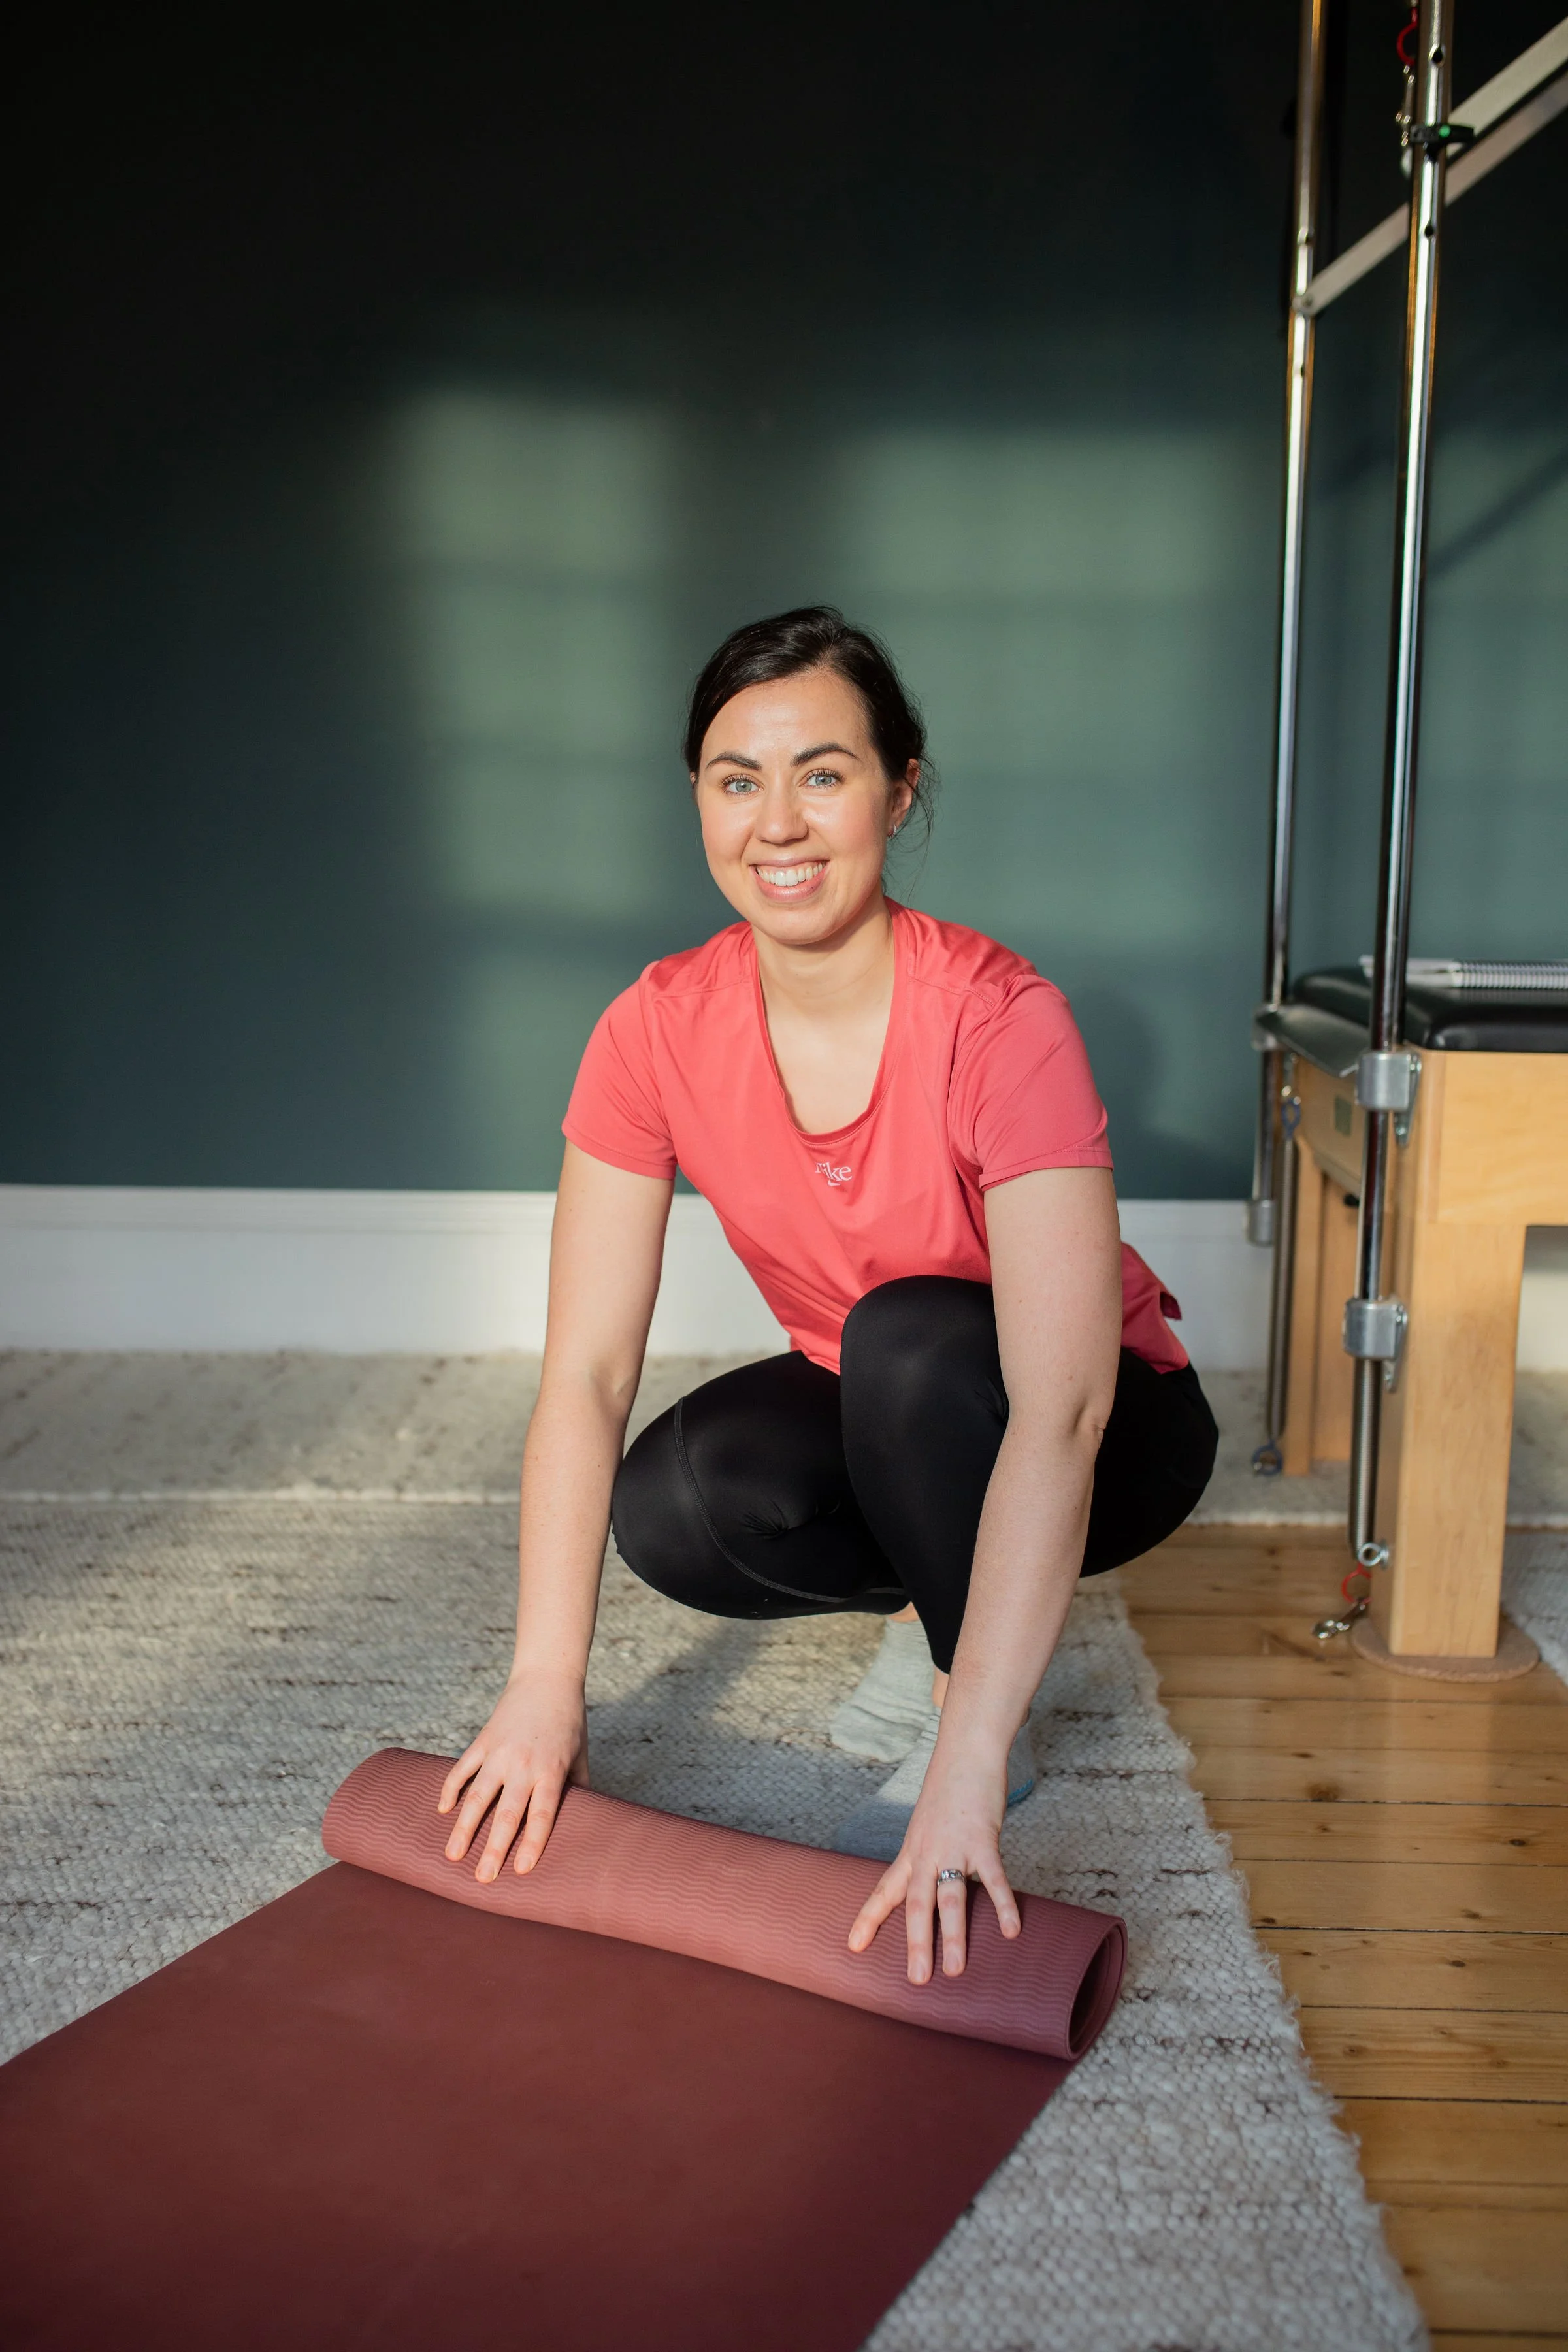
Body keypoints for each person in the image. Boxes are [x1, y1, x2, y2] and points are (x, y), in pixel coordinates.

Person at [438, 607, 1217, 1987]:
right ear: (698, 798)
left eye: (824, 773)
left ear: (901, 789)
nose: (777, 824)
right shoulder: (653, 1026)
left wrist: (966, 1765)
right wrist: (543, 1693)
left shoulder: (997, 1013)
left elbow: (1063, 1409)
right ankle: (940, 1606)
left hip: (1112, 1427)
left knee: (907, 1341)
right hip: (890, 1403)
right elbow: (585, 1380)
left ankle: (962, 1690)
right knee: (679, 1502)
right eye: (738, 779)